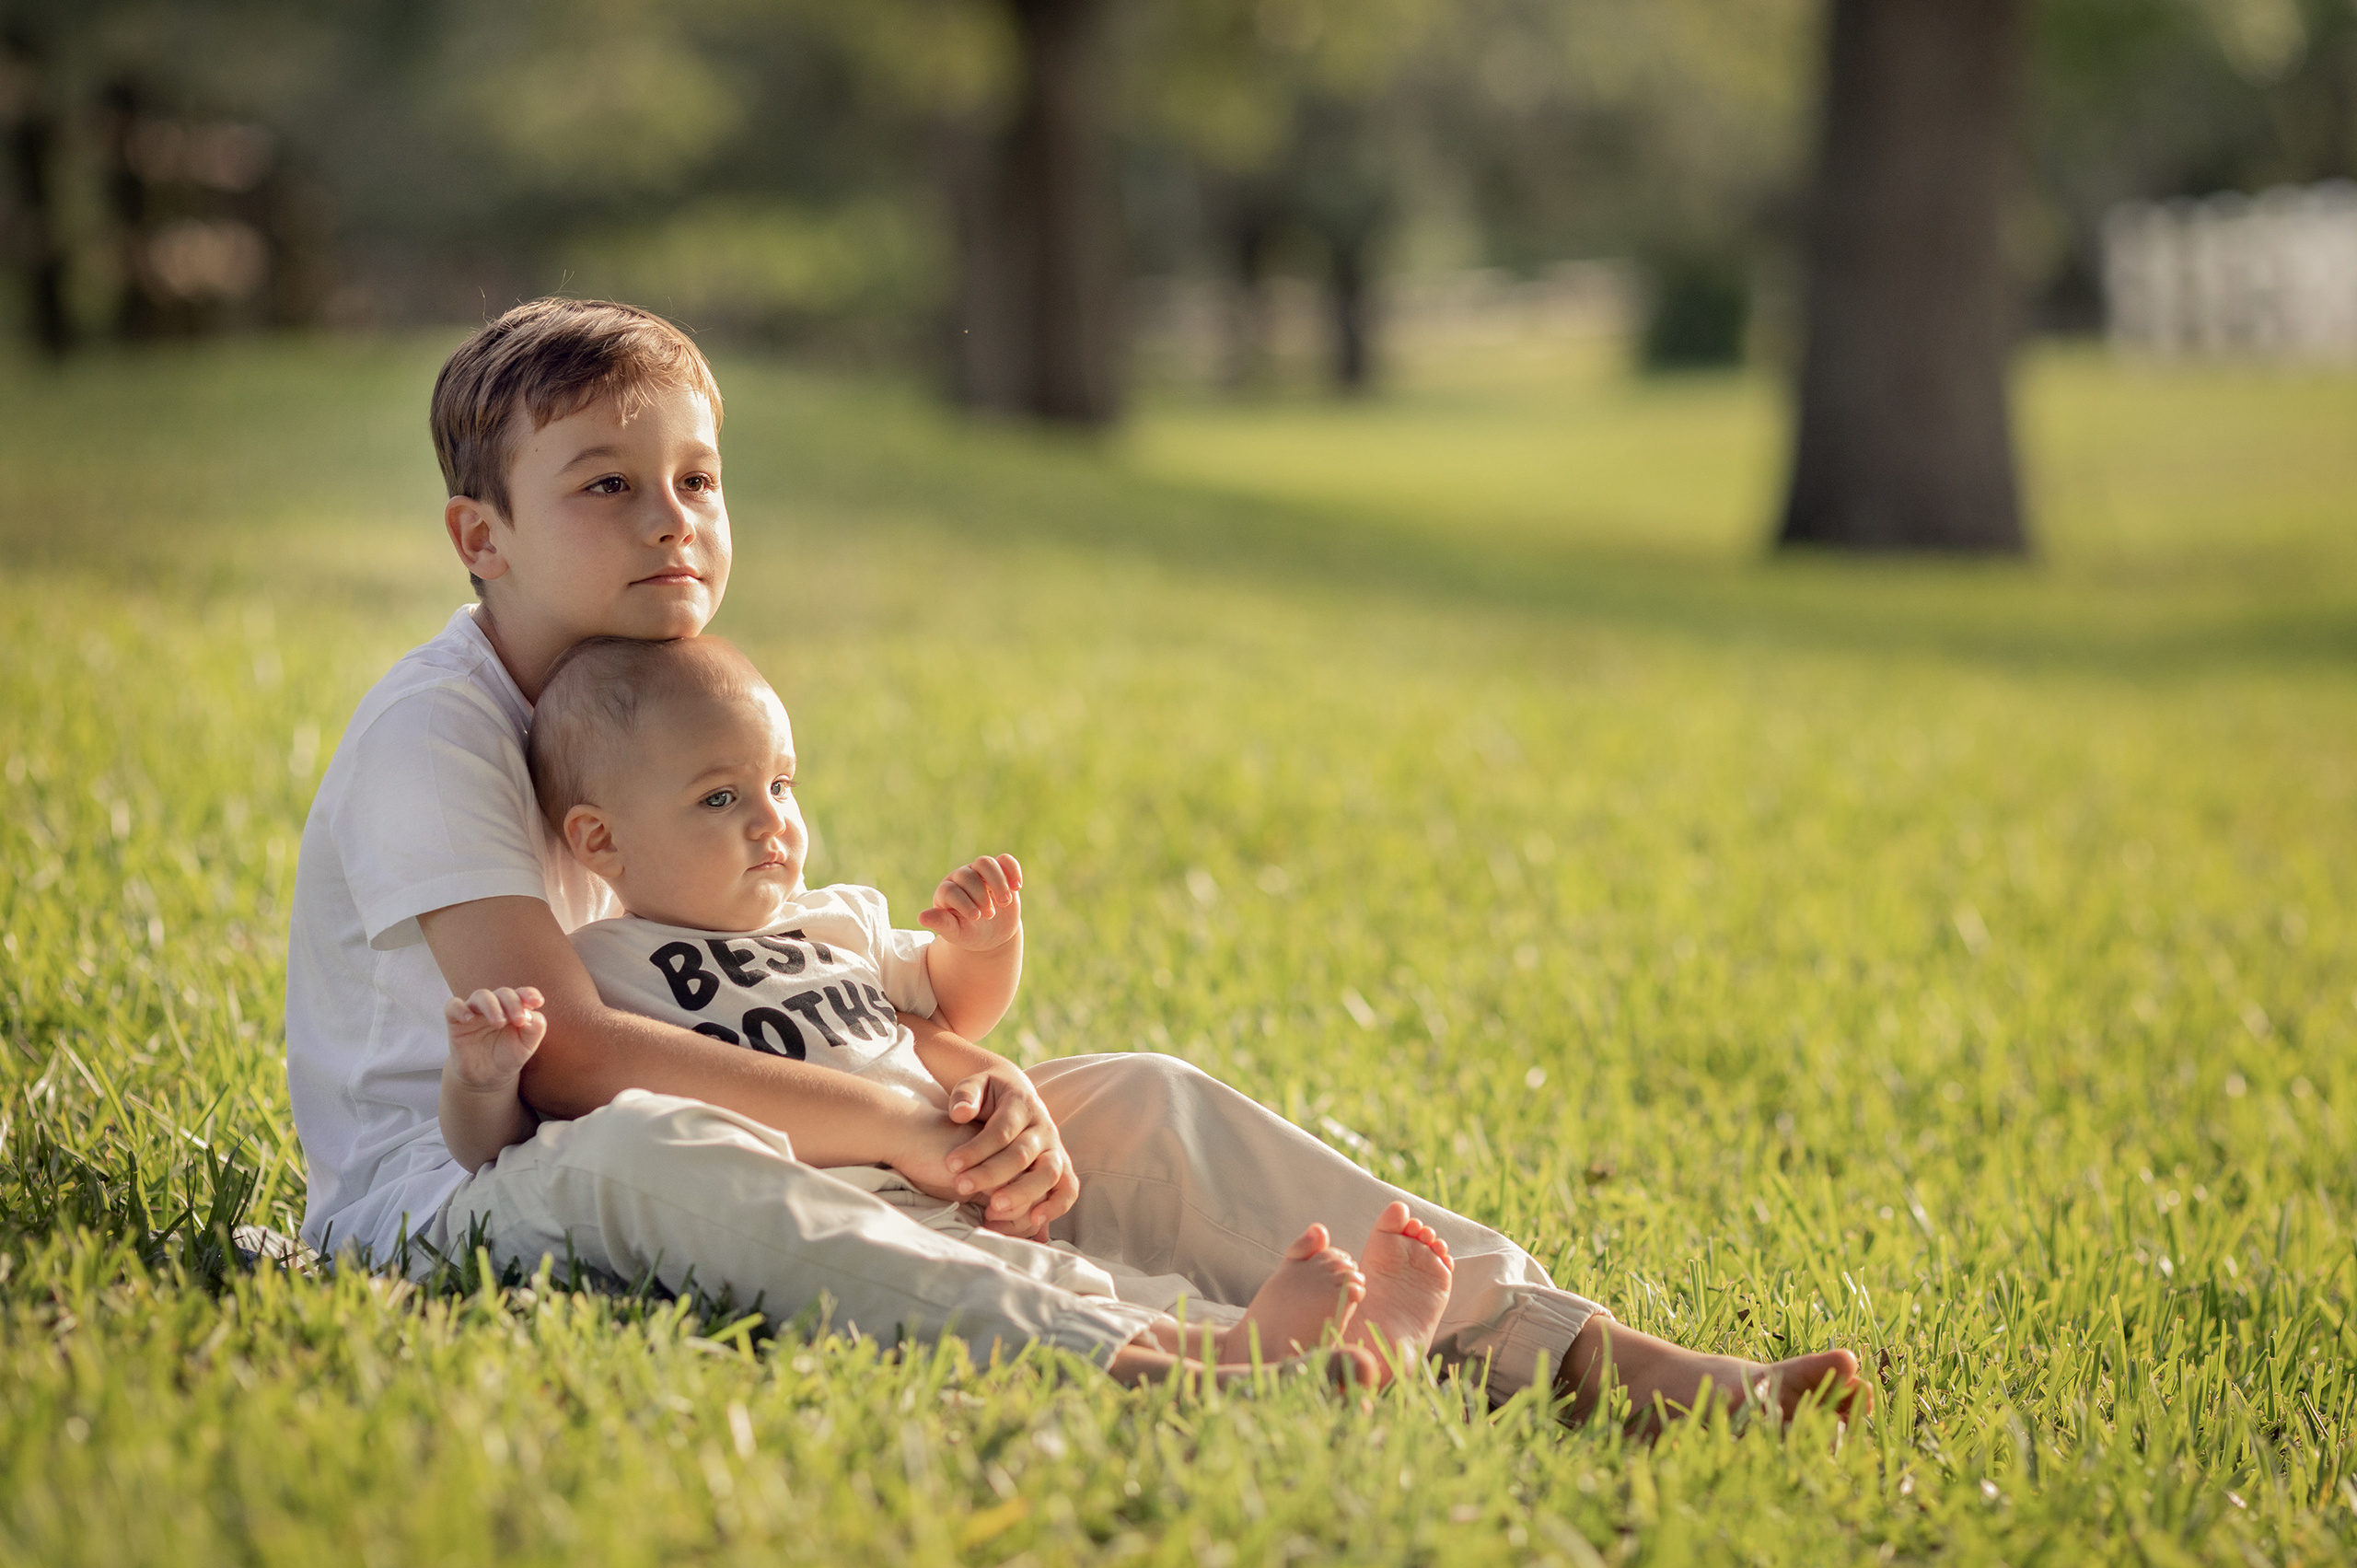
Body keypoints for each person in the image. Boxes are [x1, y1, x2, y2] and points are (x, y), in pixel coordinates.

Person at [283, 296, 1864, 1423]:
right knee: (662, 1159)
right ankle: (1174, 1355)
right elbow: (565, 1060)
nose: (672, 521)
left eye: (697, 478)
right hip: (466, 1189)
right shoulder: (439, 734)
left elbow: (780, 987)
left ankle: (1599, 1355)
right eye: (606, 487)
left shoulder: (658, 689)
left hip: (775, 1104)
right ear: (479, 537)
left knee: (1141, 1098)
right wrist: (911, 1127)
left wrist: (970, 1079)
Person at [439, 634, 1462, 1385]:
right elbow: (516, 1138)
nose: (772, 826)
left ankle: (1343, 1350)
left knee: (1095, 1277)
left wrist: (985, 948)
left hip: (967, 1185)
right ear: (603, 842)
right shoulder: (605, 967)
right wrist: (484, 1078)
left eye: (782, 786)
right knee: (1029, 1302)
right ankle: (1245, 1360)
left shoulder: (834, 924)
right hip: (847, 1207)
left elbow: (955, 1010)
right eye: (720, 800)